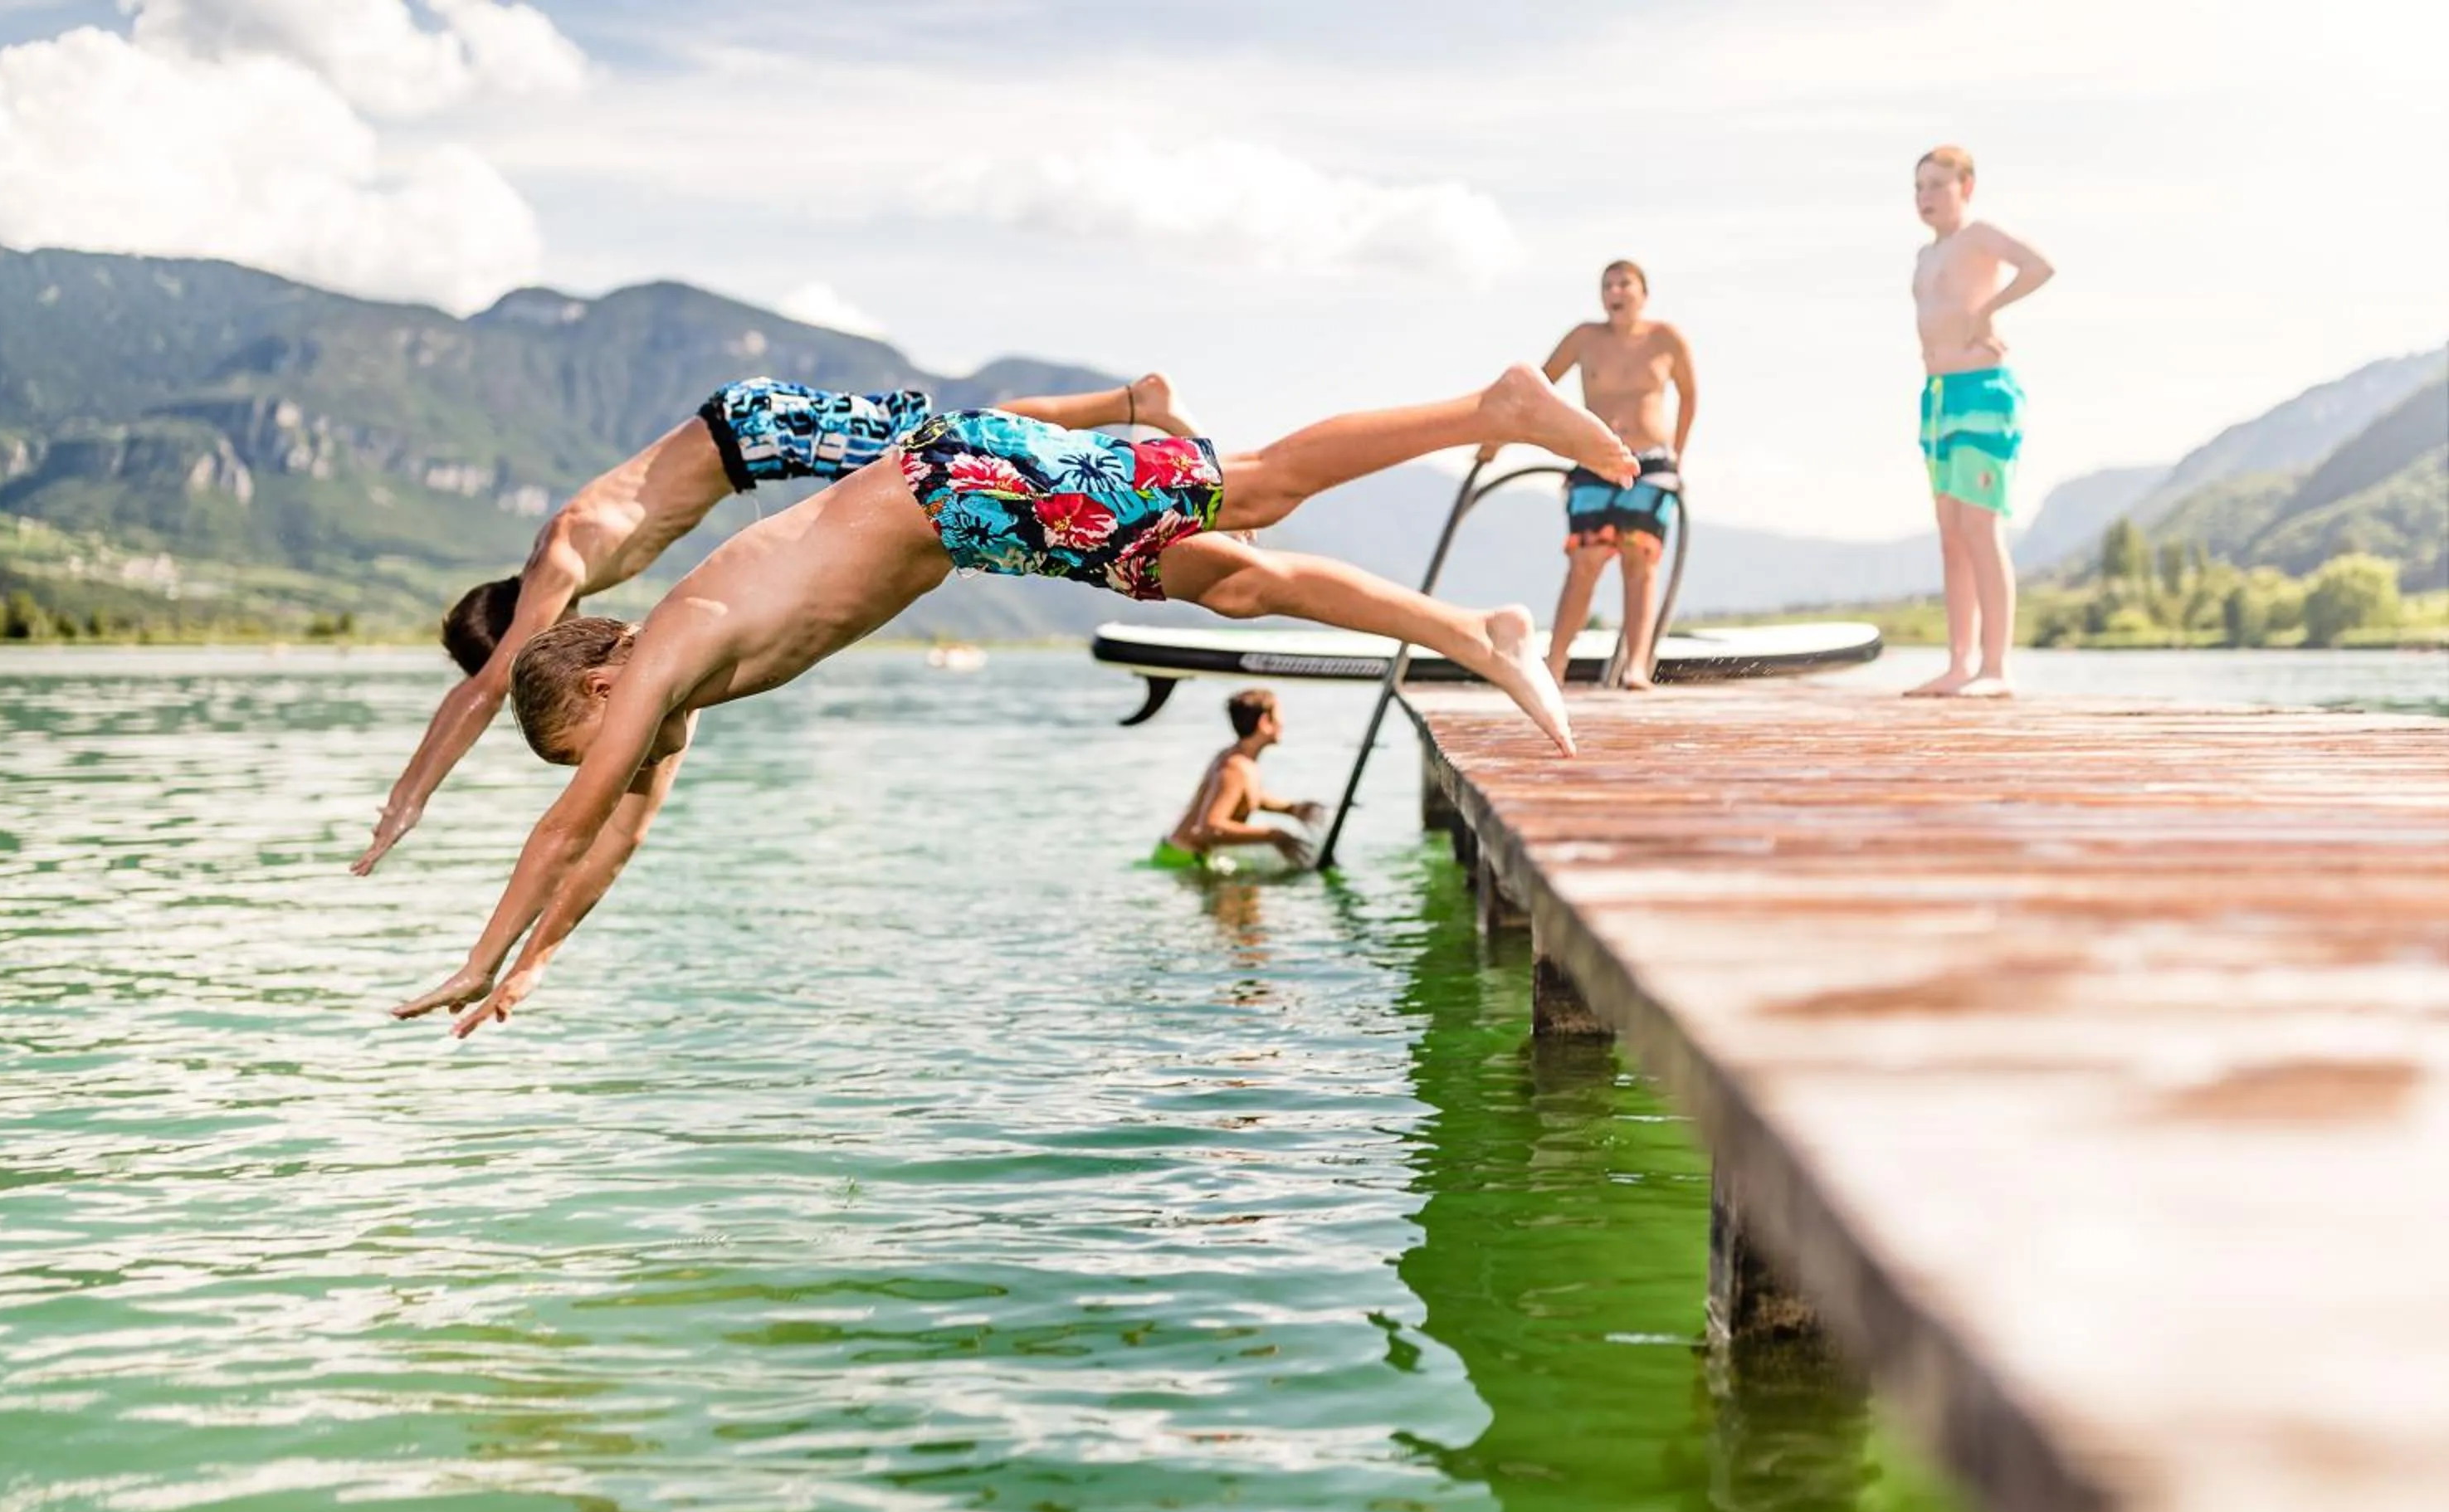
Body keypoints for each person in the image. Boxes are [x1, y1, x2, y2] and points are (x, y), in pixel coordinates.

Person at [391, 364, 1639, 1035]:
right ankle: (1475, 631)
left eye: (588, 738)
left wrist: (472, 958)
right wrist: (538, 962)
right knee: (1239, 590)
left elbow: (564, 828)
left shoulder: (663, 655)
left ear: (605, 678)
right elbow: (610, 838)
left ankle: (1496, 407)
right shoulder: (667, 705)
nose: (605, 758)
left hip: (960, 487)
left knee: (1248, 495)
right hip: (978, 517)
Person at [349, 372, 1198, 872]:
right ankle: (1129, 414)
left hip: (752, 433)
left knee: (966, 441)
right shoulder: (565, 574)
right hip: (747, 441)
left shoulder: (559, 559)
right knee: (966, 443)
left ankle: (1134, 402)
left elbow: (490, 689)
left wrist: (406, 798)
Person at [1488, 259, 1696, 689]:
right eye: (1608, 285)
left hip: (1652, 462)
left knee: (1640, 559)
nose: (1615, 292)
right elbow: (1535, 390)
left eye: (1624, 284)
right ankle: (1555, 665)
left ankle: (1637, 666)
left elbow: (1691, 396)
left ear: (1643, 293)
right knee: (1585, 559)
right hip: (1595, 460)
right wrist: (1496, 440)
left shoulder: (1666, 338)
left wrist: (1678, 455)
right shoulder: (1585, 337)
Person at [1909, 144, 2055, 698]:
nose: (1926, 197)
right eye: (1919, 187)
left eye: (1937, 185)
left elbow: (2041, 266)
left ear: (1966, 188)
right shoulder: (1925, 257)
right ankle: (1959, 663)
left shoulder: (1980, 236)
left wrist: (1990, 310)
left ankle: (1997, 669)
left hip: (1983, 393)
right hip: (1938, 397)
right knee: (1950, 534)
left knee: (1979, 526)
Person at [1154, 689, 1325, 871]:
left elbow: (1244, 796)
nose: (1283, 723)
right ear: (1264, 722)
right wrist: (1273, 835)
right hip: (1185, 861)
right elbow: (1210, 828)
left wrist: (1291, 809)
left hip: (1178, 854)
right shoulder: (1234, 769)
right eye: (1279, 716)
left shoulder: (1236, 757)